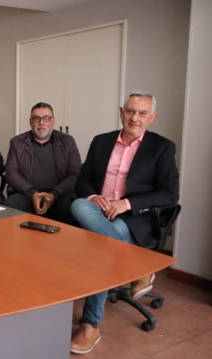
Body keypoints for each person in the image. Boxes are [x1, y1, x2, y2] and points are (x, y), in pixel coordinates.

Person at [69, 92, 179, 354]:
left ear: (153, 117)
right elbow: (82, 180)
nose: (135, 118)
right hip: (98, 213)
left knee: (100, 249)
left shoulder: (162, 147)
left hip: (135, 218)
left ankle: (91, 324)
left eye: (142, 113)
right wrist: (95, 197)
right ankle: (138, 267)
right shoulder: (101, 141)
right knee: (77, 204)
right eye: (130, 111)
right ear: (121, 112)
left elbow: (169, 194)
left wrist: (126, 204)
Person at [3, 102, 81, 223]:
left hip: (59, 196)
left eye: (46, 118)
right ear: (30, 122)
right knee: (9, 205)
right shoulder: (17, 142)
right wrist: (32, 193)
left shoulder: (67, 141)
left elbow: (75, 174)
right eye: (36, 118)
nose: (41, 122)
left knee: (75, 207)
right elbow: (11, 173)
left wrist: (54, 195)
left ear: (53, 121)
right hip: (27, 195)